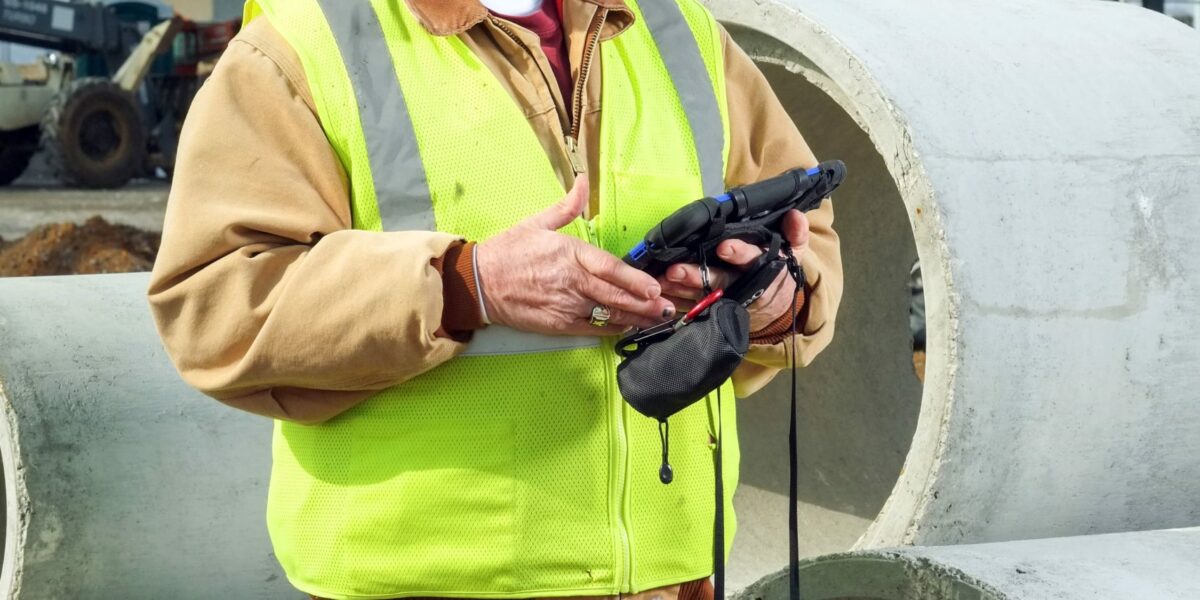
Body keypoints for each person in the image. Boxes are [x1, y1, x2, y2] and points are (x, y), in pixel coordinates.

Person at [147, 0, 843, 598]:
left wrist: (769, 299)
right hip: (429, 582)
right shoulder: (309, 43)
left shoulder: (678, 27)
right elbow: (215, 303)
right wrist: (465, 284)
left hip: (673, 574)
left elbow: (809, 234)